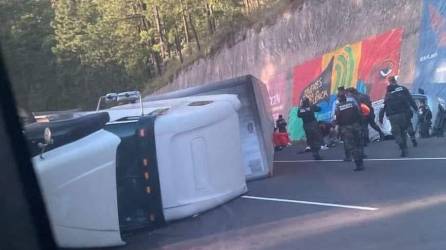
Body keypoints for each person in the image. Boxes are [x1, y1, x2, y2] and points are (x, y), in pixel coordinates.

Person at [379, 76, 418, 157]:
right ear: (395, 81)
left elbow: (383, 106)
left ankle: (403, 148)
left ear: (389, 82)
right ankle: (412, 138)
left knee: (397, 133)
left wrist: (381, 117)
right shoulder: (403, 89)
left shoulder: (388, 94)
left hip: (392, 117)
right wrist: (415, 108)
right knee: (406, 127)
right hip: (404, 113)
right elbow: (410, 99)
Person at [335, 93, 364, 171]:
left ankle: (358, 164)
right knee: (358, 144)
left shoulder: (338, 107)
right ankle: (361, 160)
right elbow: (359, 114)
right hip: (356, 126)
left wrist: (338, 129)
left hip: (346, 128)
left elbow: (337, 119)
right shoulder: (352, 104)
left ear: (339, 99)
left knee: (352, 146)